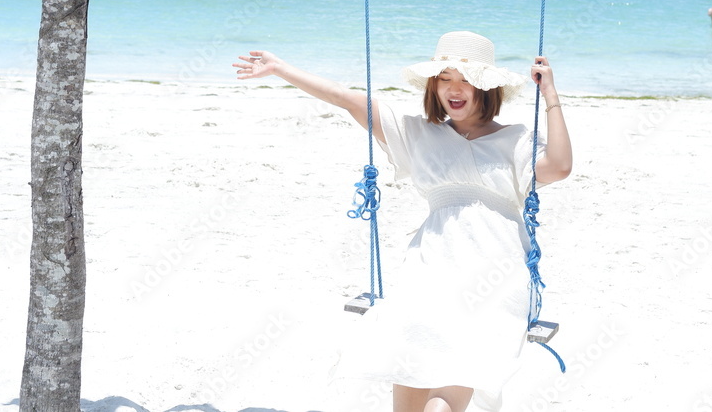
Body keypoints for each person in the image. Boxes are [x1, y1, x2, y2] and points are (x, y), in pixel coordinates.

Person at [233, 31, 572, 412]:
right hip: (430, 267)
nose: (454, 89)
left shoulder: (516, 139)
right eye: (444, 79)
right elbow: (345, 98)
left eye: (465, 80)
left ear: (487, 88)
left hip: (494, 270)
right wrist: (280, 69)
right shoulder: (418, 132)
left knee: (446, 398)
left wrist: (551, 96)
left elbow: (559, 167)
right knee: (409, 379)